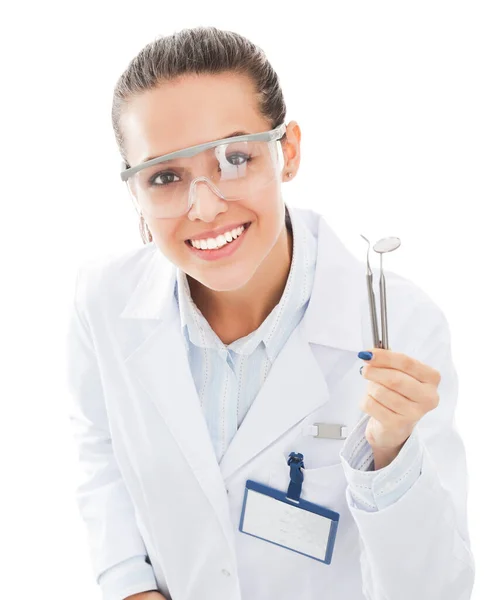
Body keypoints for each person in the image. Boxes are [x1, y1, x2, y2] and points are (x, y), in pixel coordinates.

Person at [65, 26, 475, 600]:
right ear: (133, 192)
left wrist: (392, 451)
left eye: (235, 158)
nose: (204, 206)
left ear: (289, 151)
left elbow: (436, 588)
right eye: (164, 176)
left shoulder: (399, 324)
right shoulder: (103, 301)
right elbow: (100, 448)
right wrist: (129, 583)